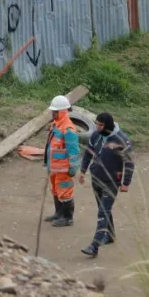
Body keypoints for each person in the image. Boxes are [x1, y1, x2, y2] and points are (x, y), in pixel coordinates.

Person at [79, 112, 134, 258]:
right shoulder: (96, 135)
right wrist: (82, 171)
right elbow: (88, 154)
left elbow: (129, 162)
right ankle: (110, 235)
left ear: (108, 125)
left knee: (102, 211)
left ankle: (94, 245)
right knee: (104, 209)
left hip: (112, 181)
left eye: (101, 125)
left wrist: (126, 183)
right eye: (97, 123)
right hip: (96, 178)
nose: (97, 126)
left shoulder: (122, 139)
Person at [43, 95, 81, 228]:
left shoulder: (68, 129)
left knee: (65, 192)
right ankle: (59, 213)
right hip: (54, 168)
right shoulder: (55, 125)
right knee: (55, 190)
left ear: (63, 111)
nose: (52, 113)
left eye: (55, 111)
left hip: (64, 169)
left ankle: (68, 217)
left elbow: (74, 151)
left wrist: (73, 167)